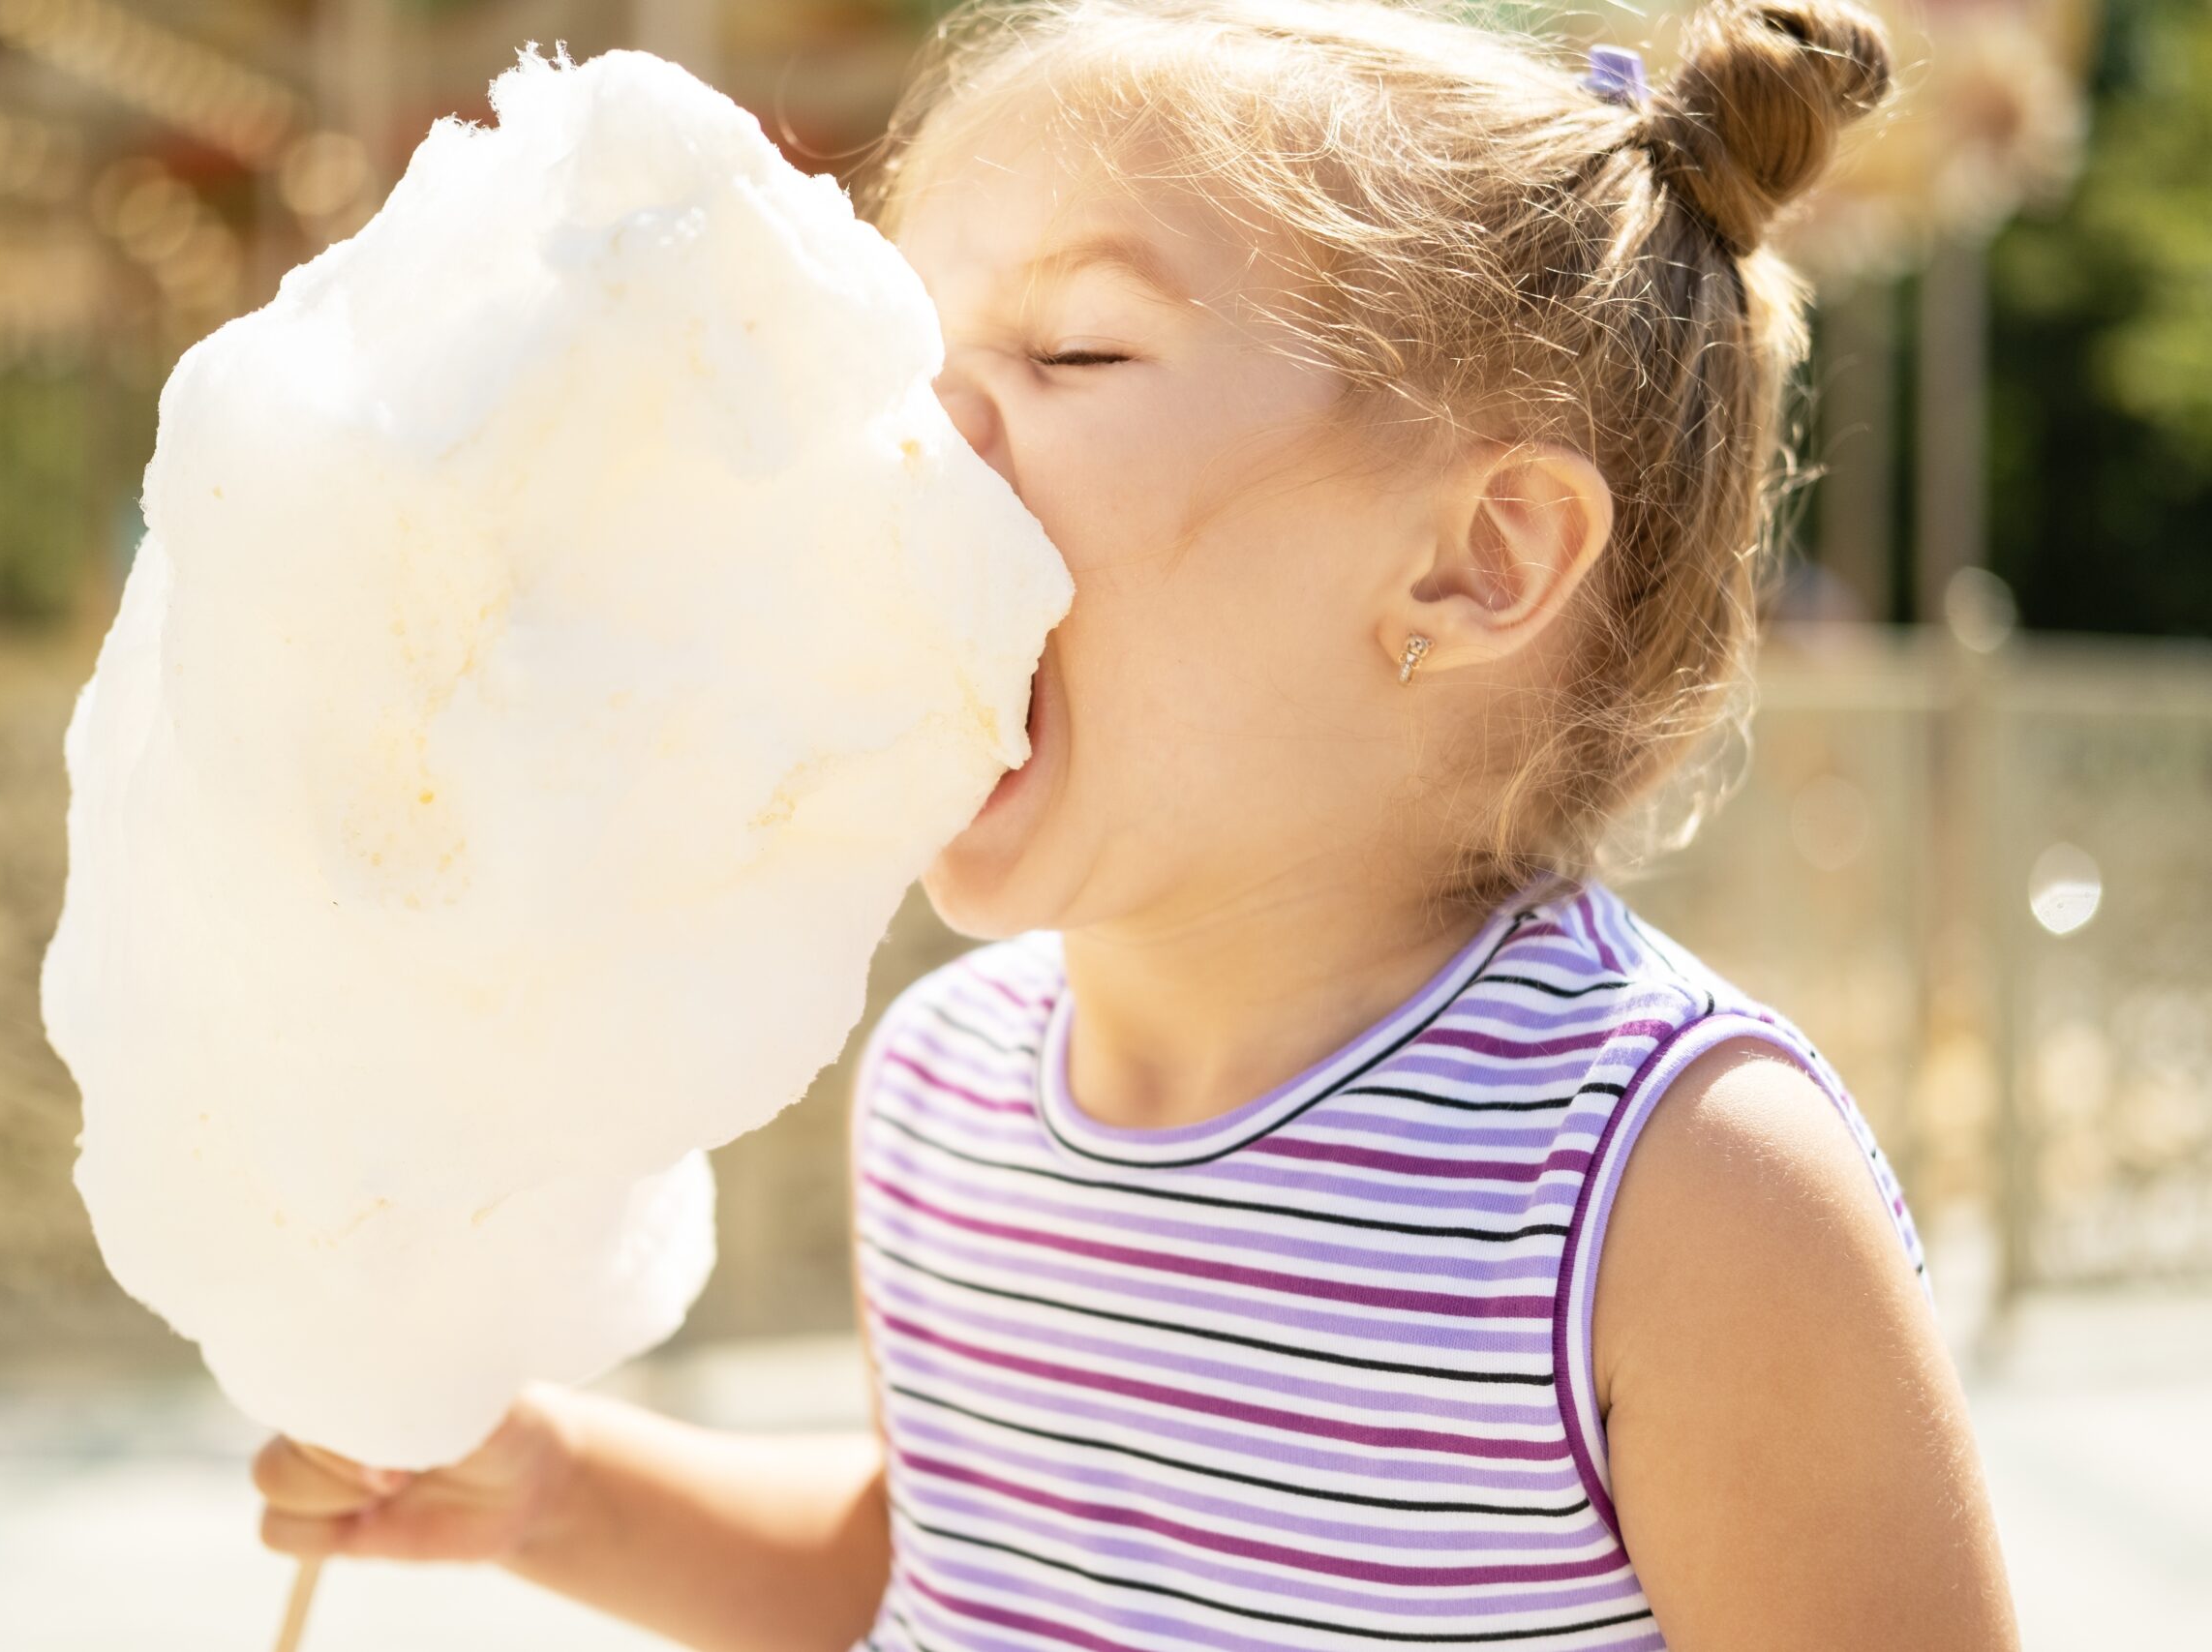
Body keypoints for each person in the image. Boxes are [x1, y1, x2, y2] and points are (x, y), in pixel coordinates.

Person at [252, 2, 2020, 1646]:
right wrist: (563, 1493)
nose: (909, 434)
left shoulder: (1677, 1186)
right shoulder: (945, 1086)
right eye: (902, 352)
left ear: (1479, 558)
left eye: (1075, 346)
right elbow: (935, 1555)